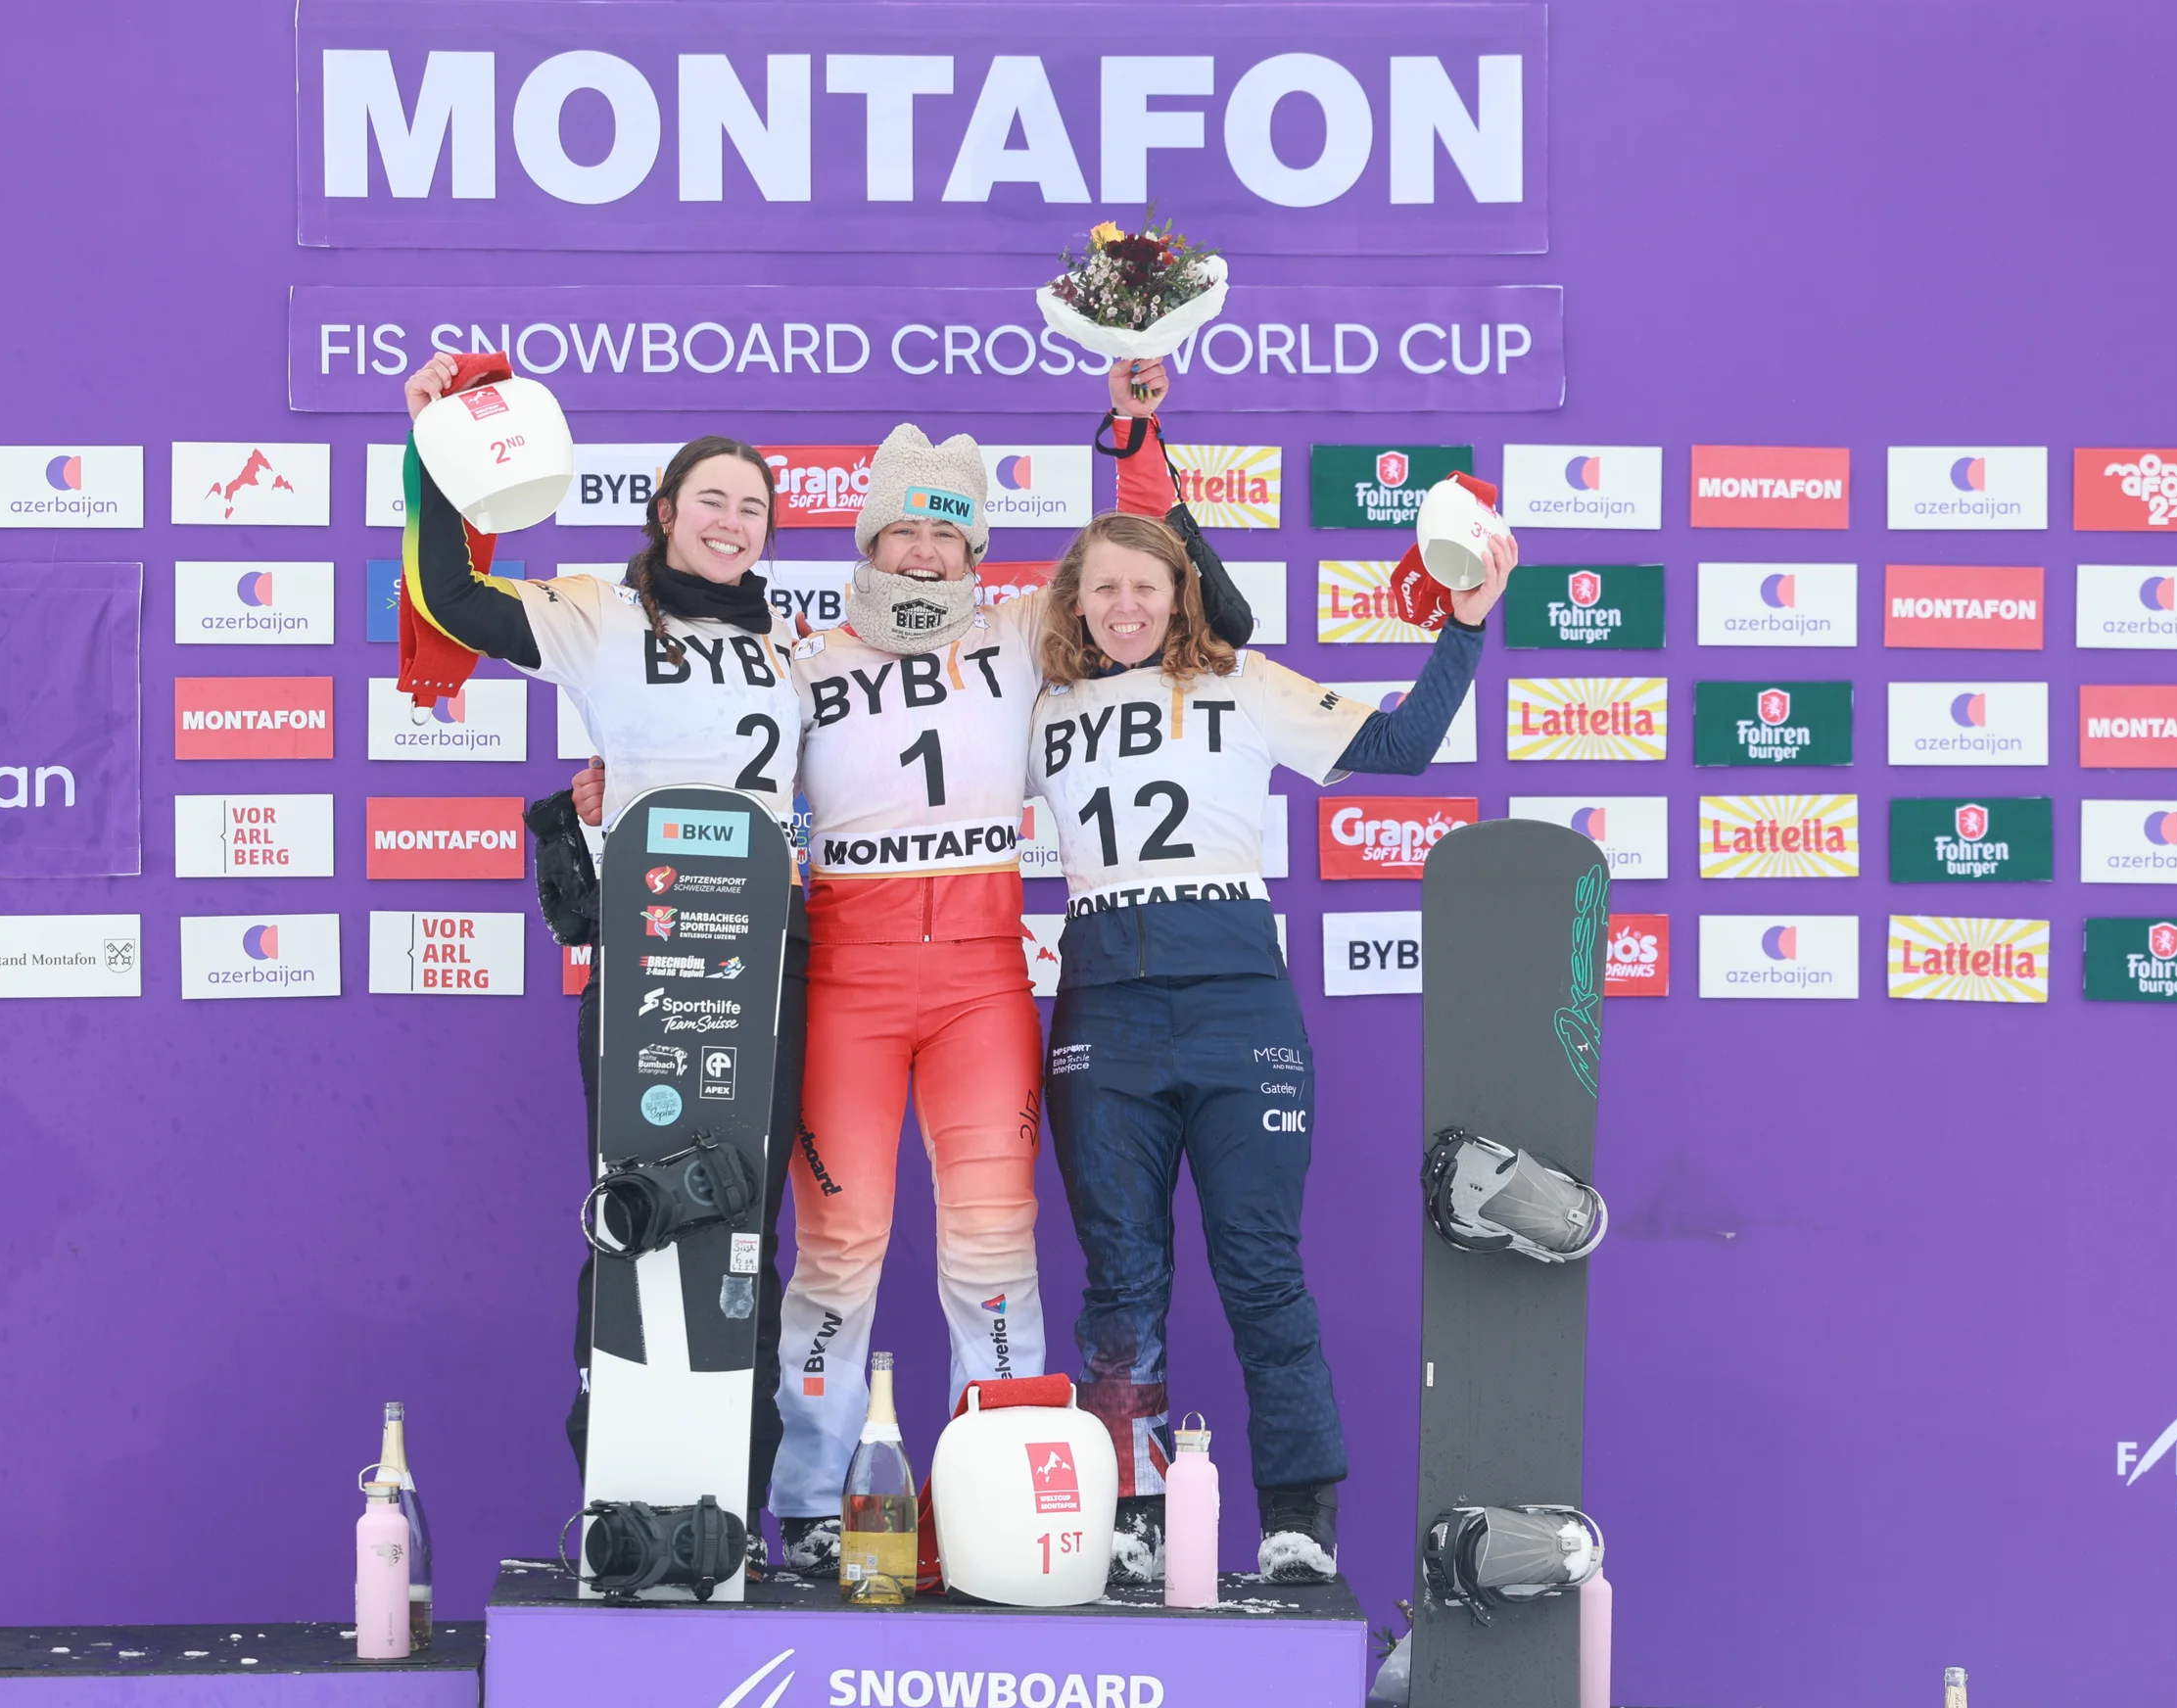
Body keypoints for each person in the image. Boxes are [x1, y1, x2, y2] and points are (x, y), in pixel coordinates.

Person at [580, 363, 1259, 1580]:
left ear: (975, 550)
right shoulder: (798, 652)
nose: (929, 554)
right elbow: (701, 753)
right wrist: (600, 803)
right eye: (906, 529)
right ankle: (806, 1501)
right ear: (869, 536)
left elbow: (1142, 570)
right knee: (842, 1244)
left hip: (984, 977)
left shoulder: (1024, 629)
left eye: (950, 534)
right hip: (846, 970)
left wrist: (1141, 430)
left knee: (992, 1241)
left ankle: (995, 1492)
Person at [1027, 484, 1515, 1585]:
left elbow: (1403, 748)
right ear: (1075, 599)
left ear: (1180, 590)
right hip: (1104, 998)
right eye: (1103, 586)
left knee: (1260, 1269)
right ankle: (1131, 1511)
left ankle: (1299, 1522)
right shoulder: (1041, 705)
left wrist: (1468, 621)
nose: (1124, 605)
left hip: (1236, 997)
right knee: (1120, 1279)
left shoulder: (1243, 683)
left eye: (1145, 585)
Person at [400, 350, 804, 1565]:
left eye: (754, 507)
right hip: (649, 951)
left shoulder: (794, 639)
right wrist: (434, 463)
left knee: (749, 1236)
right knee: (628, 1217)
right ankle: (615, 1498)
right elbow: (448, 594)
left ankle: (736, 1505)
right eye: (711, 500)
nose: (733, 522)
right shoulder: (598, 611)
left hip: (767, 961)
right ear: (665, 514)